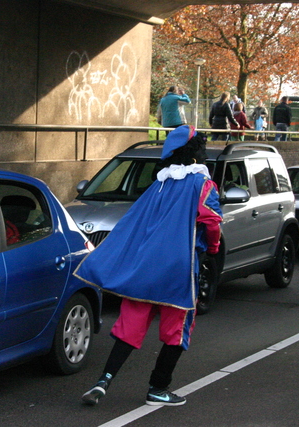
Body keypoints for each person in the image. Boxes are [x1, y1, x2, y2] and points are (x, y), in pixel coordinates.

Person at [76, 125, 223, 407]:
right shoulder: (202, 185)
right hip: (179, 268)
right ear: (196, 153)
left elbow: (135, 222)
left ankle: (103, 382)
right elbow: (212, 222)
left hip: (145, 267)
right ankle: (158, 388)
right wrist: (212, 250)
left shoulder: (160, 184)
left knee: (130, 327)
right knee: (176, 331)